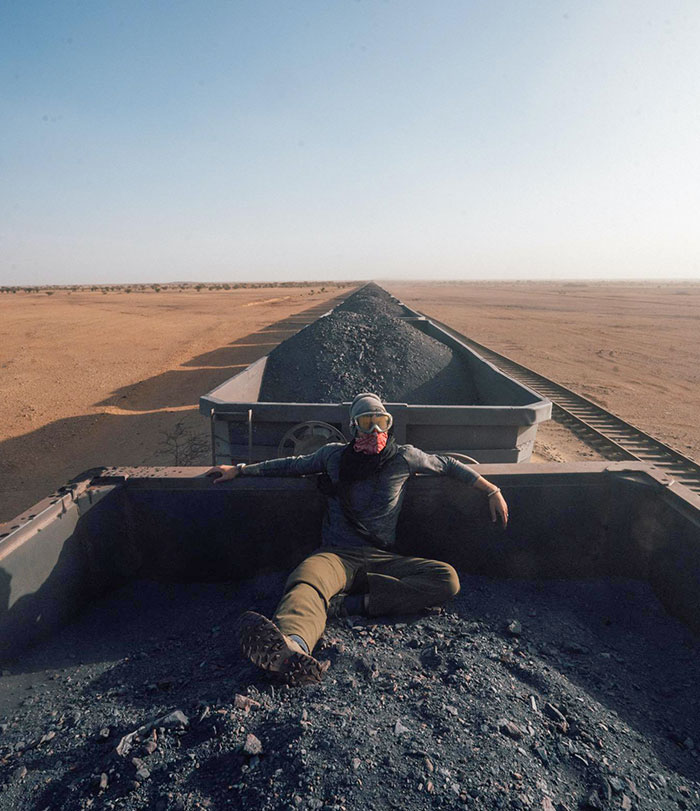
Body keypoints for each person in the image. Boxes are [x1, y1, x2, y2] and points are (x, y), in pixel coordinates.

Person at [207, 392, 508, 686]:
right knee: (306, 581)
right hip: (337, 555)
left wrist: (491, 490)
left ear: (390, 424)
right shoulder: (333, 456)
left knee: (447, 579)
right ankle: (292, 647)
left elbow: (448, 464)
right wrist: (240, 469)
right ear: (353, 427)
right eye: (367, 423)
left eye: (382, 422)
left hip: (382, 558)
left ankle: (348, 606)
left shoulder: (404, 457)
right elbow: (290, 465)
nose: (376, 431)